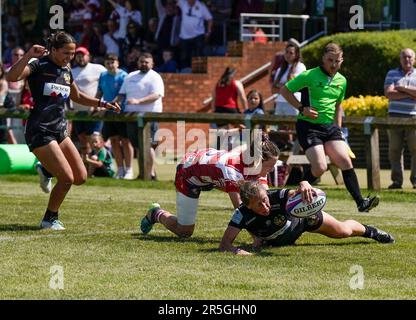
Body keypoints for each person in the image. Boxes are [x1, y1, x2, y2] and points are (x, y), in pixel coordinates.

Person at [5, 31, 120, 230]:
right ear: (54, 50)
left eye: (73, 53)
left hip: (59, 129)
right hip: (40, 130)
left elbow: (77, 97)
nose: (70, 57)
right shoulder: (38, 65)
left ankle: (45, 169)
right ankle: (49, 219)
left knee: (80, 177)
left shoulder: (66, 70)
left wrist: (103, 103)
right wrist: (28, 55)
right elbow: (11, 77)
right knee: (66, 178)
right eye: (66, 52)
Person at [280, 43, 379, 213]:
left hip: (330, 128)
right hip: (308, 126)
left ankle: (361, 202)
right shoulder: (309, 75)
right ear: (323, 59)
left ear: (342, 61)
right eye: (330, 60)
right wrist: (301, 108)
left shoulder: (342, 80)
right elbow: (285, 91)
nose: (333, 64)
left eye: (337, 61)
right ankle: (294, 196)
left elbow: (339, 107)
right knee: (320, 167)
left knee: (345, 161)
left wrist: (339, 130)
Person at [139, 136, 280, 238]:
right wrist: (259, 237)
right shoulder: (233, 171)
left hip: (211, 173)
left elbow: (267, 199)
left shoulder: (256, 167)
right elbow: (241, 209)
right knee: (184, 231)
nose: (272, 170)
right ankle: (155, 213)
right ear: (257, 161)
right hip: (189, 173)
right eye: (270, 166)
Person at [220, 180, 395, 255]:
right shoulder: (241, 214)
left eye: (265, 200)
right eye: (259, 205)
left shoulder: (276, 196)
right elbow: (225, 245)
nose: (265, 206)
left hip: (302, 220)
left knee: (343, 231)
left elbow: (297, 190)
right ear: (248, 205)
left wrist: (304, 183)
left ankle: (373, 232)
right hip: (279, 239)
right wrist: (244, 253)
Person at [114, 52, 164, 180]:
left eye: (147, 62)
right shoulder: (130, 76)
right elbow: (121, 95)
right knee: (137, 146)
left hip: (149, 117)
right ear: (138, 63)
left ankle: (151, 174)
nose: (144, 64)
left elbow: (156, 95)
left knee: (149, 144)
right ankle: (143, 173)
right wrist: (112, 104)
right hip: (131, 116)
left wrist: (138, 101)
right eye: (141, 61)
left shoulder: (155, 77)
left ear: (152, 64)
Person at [384, 48, 416, 189]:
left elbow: (395, 91)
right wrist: (411, 94)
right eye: (404, 57)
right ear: (400, 59)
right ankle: (397, 181)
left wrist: (401, 88)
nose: (407, 59)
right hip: (394, 116)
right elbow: (389, 94)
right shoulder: (391, 73)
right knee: (395, 150)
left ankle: (415, 180)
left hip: (413, 117)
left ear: (414, 59)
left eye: (409, 57)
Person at [97, 53, 131, 179]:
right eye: (108, 63)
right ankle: (120, 169)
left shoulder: (124, 76)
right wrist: (96, 105)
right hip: (108, 113)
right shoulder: (103, 75)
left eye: (113, 62)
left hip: (121, 112)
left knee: (125, 141)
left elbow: (122, 95)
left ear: (118, 63)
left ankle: (129, 170)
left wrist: (107, 106)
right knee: (114, 140)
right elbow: (99, 91)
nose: (110, 65)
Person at [71, 46, 107, 156]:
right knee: (82, 139)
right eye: (78, 56)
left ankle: (105, 165)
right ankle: (87, 167)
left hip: (94, 110)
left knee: (94, 139)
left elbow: (106, 85)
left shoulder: (98, 68)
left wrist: (101, 103)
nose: (80, 58)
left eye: (83, 55)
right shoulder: (72, 71)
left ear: (89, 56)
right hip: (77, 111)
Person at [211, 67, 248, 149]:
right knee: (241, 127)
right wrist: (246, 111)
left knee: (222, 132)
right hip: (231, 109)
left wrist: (213, 111)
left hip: (218, 110)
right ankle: (232, 146)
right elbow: (243, 97)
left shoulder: (218, 83)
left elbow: (214, 98)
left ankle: (219, 149)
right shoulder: (237, 83)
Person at [272, 41, 306, 117]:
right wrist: (285, 86)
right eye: (286, 52)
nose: (288, 55)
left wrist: (281, 86)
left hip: (293, 102)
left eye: (291, 53)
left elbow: (294, 86)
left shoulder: (300, 67)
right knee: (278, 127)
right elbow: (273, 89)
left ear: (296, 54)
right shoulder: (280, 69)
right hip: (280, 101)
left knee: (292, 127)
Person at [177, 0, 213, 70]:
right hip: (184, 36)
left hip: (198, 35)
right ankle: (185, 73)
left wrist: (208, 31)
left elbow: (210, 19)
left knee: (198, 55)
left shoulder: (201, 6)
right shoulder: (182, 3)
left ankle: (199, 73)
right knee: (184, 56)